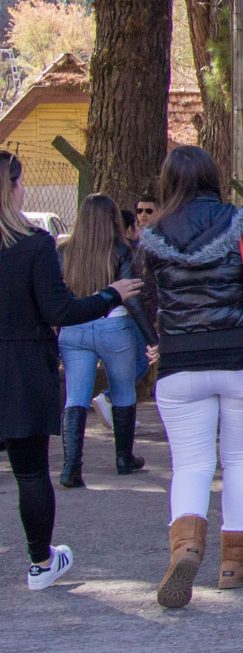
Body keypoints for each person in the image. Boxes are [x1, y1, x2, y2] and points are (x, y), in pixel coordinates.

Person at [135, 145, 243, 609]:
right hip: (240, 355)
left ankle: (185, 547)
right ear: (212, 177)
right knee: (241, 459)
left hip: (180, 361)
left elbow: (138, 293)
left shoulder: (151, 235)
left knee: (191, 464)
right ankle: (235, 564)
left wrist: (155, 335)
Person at [1, 152, 142, 589]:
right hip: (23, 368)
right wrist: (110, 296)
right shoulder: (33, 244)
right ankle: (41, 564)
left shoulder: (45, 243)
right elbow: (59, 309)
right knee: (29, 473)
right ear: (12, 186)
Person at [56, 192, 146, 487]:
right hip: (114, 326)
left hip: (74, 328)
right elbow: (131, 297)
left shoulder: (65, 250)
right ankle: (123, 458)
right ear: (113, 220)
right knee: (123, 392)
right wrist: (151, 336)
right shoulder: (122, 249)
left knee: (75, 397)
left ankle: (71, 467)